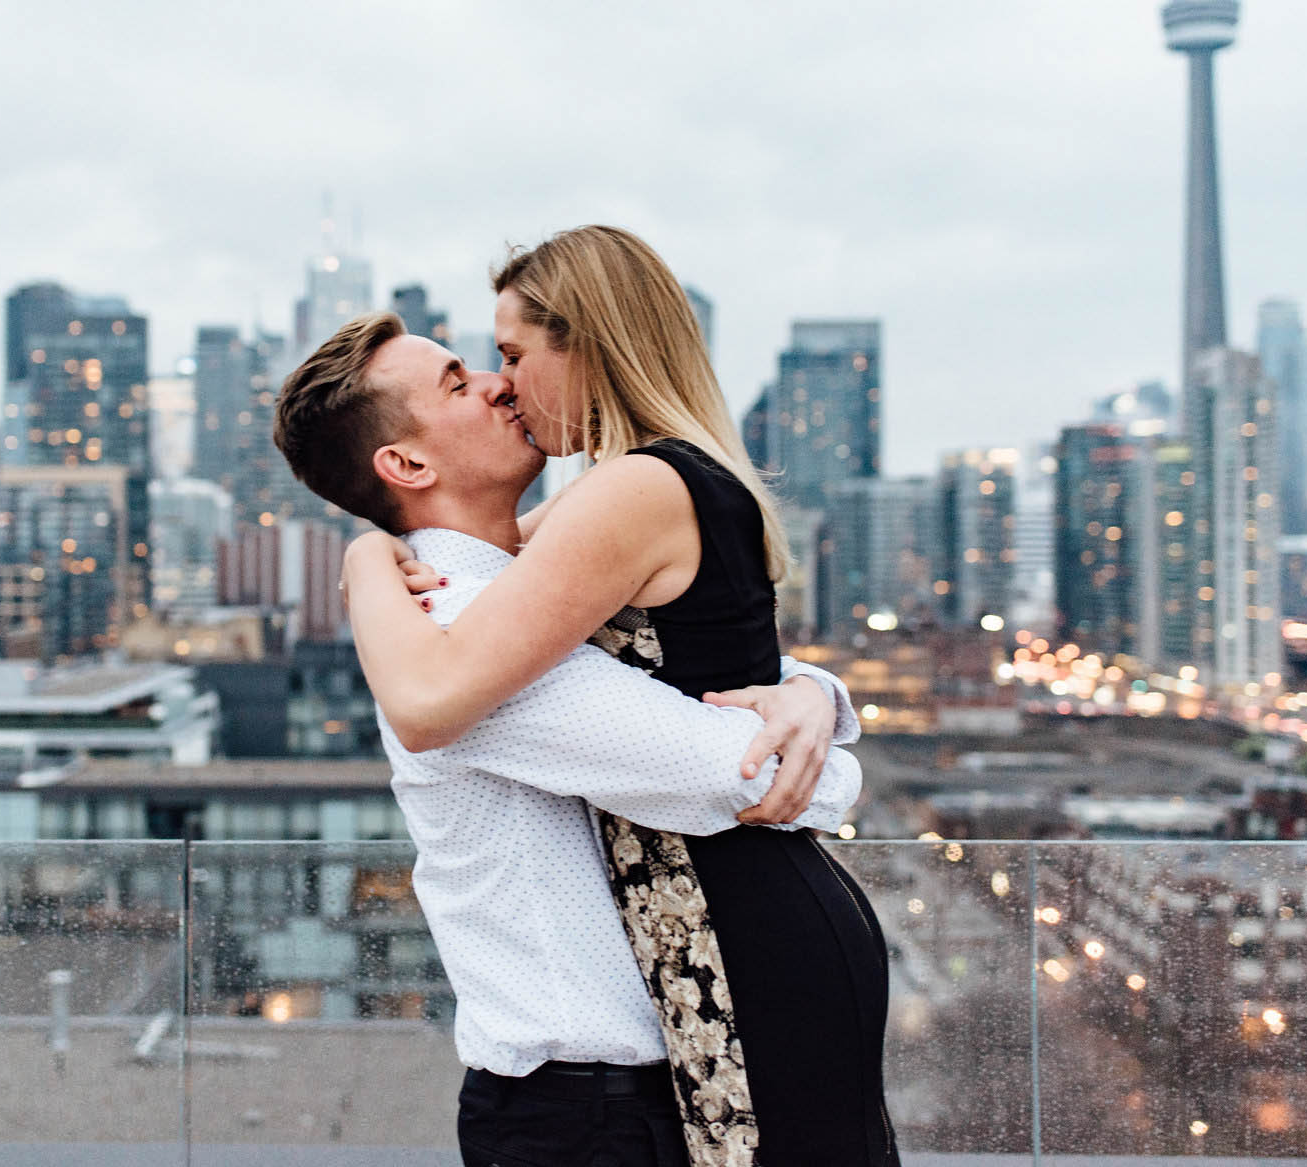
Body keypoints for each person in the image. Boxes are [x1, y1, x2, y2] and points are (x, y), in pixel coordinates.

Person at [339, 227, 900, 1166]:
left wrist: (361, 563)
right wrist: (810, 693)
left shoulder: (629, 489)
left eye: (513, 356)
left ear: (589, 344)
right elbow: (521, 571)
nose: (502, 384)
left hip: (748, 937)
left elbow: (434, 695)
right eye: (479, 371)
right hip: (740, 940)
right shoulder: (630, 487)